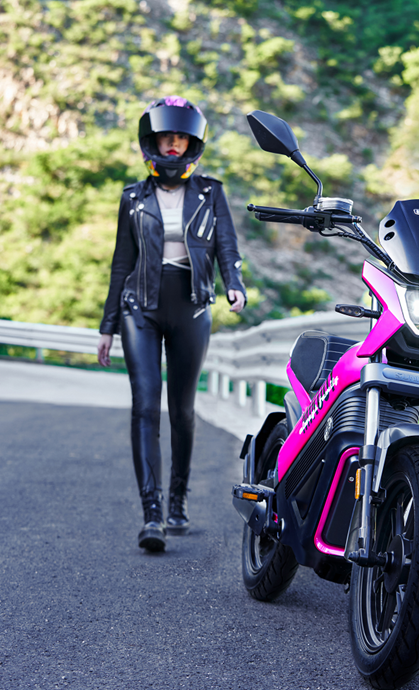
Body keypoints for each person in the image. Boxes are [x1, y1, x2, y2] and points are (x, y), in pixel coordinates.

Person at [97, 96, 246, 553]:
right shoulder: (132, 198)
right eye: (167, 137)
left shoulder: (211, 193)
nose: (174, 144)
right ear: (153, 142)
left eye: (182, 137)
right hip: (138, 307)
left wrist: (234, 284)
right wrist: (107, 326)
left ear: (192, 143)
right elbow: (121, 262)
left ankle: (178, 499)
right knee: (145, 406)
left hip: (192, 306)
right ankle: (152, 513)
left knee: (181, 411)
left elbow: (226, 244)